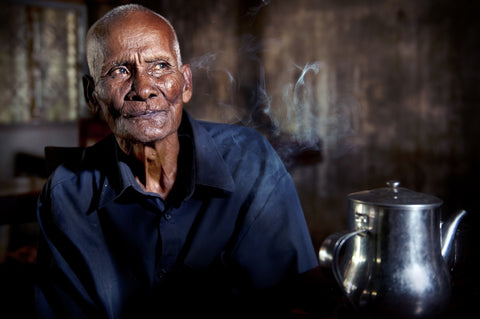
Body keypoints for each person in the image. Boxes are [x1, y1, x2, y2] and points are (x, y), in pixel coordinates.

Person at [35, 4, 319, 318]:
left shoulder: (251, 161)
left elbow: (285, 300)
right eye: (119, 71)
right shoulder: (67, 194)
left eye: (159, 66)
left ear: (185, 84)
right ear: (92, 95)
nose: (143, 89)